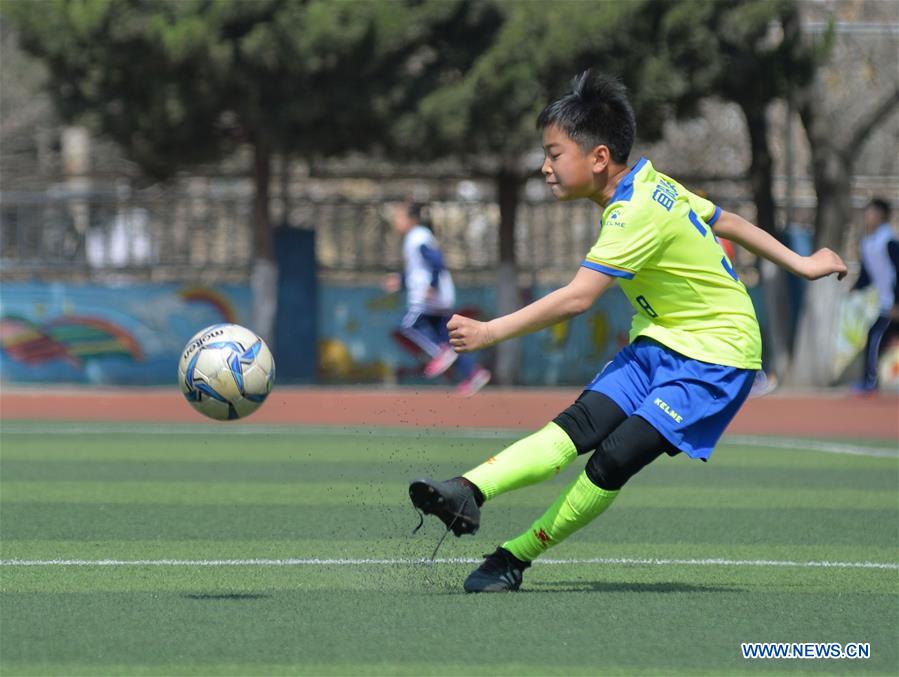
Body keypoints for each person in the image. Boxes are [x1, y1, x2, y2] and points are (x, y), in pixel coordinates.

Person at [408, 70, 847, 592]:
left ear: (598, 158)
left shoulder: (633, 213)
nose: (545, 167)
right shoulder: (650, 182)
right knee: (575, 428)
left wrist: (489, 333)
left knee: (614, 455)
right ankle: (467, 490)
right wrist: (802, 262)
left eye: (554, 154)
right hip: (658, 340)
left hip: (717, 355)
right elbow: (722, 219)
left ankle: (514, 556)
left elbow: (578, 298)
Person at [384, 200, 492, 397]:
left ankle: (440, 353)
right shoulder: (419, 237)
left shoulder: (417, 236)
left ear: (411, 219)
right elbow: (418, 270)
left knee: (407, 325)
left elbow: (436, 261)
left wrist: (432, 285)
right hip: (441, 297)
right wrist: (400, 280)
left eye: (399, 217)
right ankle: (473, 373)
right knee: (447, 340)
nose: (395, 221)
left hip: (428, 297)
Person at [852, 198, 898, 393]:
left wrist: (897, 303)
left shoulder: (889, 241)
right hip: (886, 304)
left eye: (871, 213)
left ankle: (870, 382)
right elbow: (867, 275)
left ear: (881, 216)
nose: (867, 217)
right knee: (874, 335)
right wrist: (854, 287)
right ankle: (869, 381)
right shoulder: (867, 243)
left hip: (893, 304)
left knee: (875, 336)